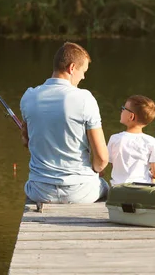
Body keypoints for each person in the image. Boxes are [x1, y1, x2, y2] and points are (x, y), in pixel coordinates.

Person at [20, 42, 109, 204]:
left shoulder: (28, 97)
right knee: (106, 187)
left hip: (39, 191)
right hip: (80, 192)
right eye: (83, 71)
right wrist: (96, 170)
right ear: (72, 68)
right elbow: (102, 159)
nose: (83, 77)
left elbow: (26, 141)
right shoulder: (85, 99)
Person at [107, 95, 155, 186]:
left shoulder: (114, 139)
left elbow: (114, 165)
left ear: (131, 116)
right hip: (142, 191)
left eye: (124, 108)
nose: (122, 110)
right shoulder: (151, 141)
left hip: (118, 190)